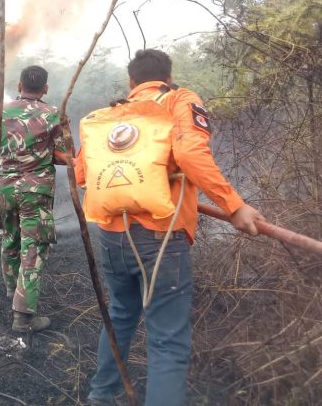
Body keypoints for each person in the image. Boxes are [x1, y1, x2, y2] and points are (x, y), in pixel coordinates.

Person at [74, 49, 265, 406]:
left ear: (131, 83)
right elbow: (192, 154)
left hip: (113, 235)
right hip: (160, 237)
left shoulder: (108, 115)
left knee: (120, 314)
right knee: (167, 340)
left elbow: (82, 174)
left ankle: (101, 396)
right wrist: (233, 206)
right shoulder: (179, 100)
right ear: (167, 76)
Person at [0, 65, 70, 332]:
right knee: (33, 248)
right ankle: (24, 317)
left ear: (19, 85)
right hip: (35, 192)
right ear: (45, 89)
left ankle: (13, 293)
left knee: (10, 240)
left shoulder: (0, 112)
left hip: (5, 190)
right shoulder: (52, 115)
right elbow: (68, 155)